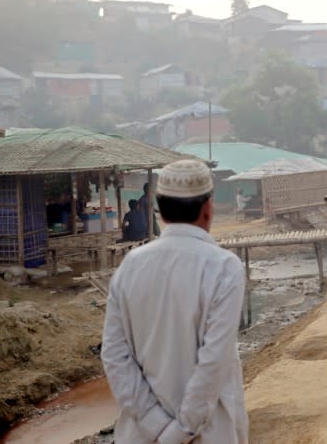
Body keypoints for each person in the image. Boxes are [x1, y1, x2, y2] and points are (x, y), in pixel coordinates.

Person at [102, 160, 248, 444]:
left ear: (159, 210)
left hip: (142, 436)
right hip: (209, 432)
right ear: (208, 208)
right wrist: (181, 431)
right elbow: (214, 360)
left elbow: (115, 356)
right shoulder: (223, 266)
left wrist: (155, 426)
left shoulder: (130, 265)